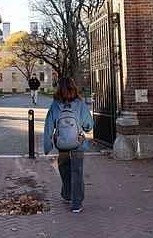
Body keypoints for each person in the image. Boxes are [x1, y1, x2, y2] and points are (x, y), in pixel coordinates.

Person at [43, 76, 94, 213]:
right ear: (73, 86)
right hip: (78, 143)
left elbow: (48, 125)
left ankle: (67, 195)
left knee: (64, 170)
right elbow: (88, 124)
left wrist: (47, 146)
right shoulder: (80, 103)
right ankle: (77, 204)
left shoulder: (55, 104)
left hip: (62, 144)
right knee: (77, 173)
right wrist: (85, 129)